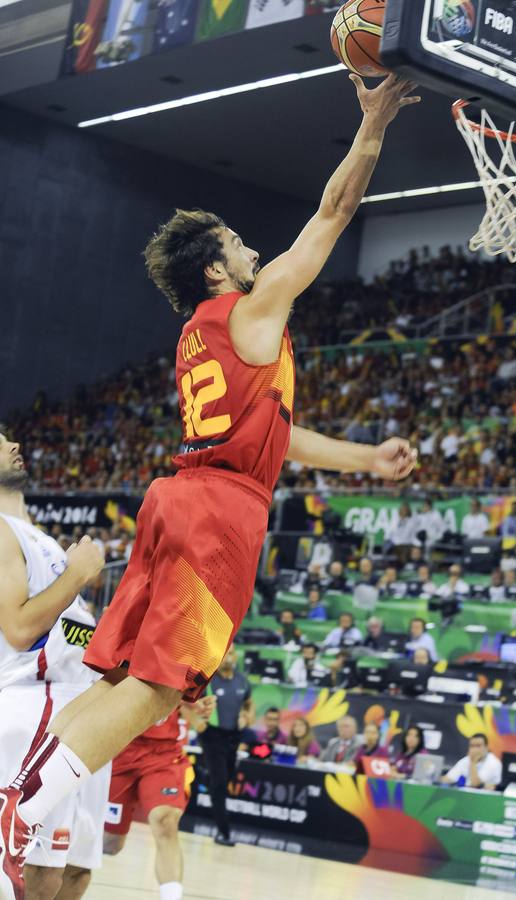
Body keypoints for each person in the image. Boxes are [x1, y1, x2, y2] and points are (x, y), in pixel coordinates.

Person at [0, 74, 421, 898]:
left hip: (180, 496)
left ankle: (22, 793)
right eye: (235, 239)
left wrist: (365, 459)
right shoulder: (252, 310)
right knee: (162, 687)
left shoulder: (204, 337)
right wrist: (370, 126)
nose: (251, 246)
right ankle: (27, 809)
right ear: (216, 266)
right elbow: (333, 214)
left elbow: (277, 437)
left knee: (121, 675)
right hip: (220, 513)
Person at [0, 428, 110, 900]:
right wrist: (78, 575)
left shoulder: (35, 536)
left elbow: (70, 631)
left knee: (68, 872)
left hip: (77, 706)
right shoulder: (1, 531)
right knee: (24, 873)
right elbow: (21, 631)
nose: (14, 446)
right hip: (36, 703)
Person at [103, 696, 215, 900]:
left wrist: (197, 707)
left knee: (166, 821)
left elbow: (199, 722)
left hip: (164, 754)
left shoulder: (191, 664)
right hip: (121, 748)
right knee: (110, 845)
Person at [199, 646, 254, 847]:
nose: (228, 657)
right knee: (220, 784)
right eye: (224, 653)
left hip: (233, 736)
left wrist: (247, 715)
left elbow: (249, 703)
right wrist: (199, 722)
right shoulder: (209, 679)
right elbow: (193, 702)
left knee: (225, 777)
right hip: (212, 735)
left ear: (236, 656)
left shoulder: (242, 680)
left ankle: (204, 775)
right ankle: (224, 832)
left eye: (231, 653)